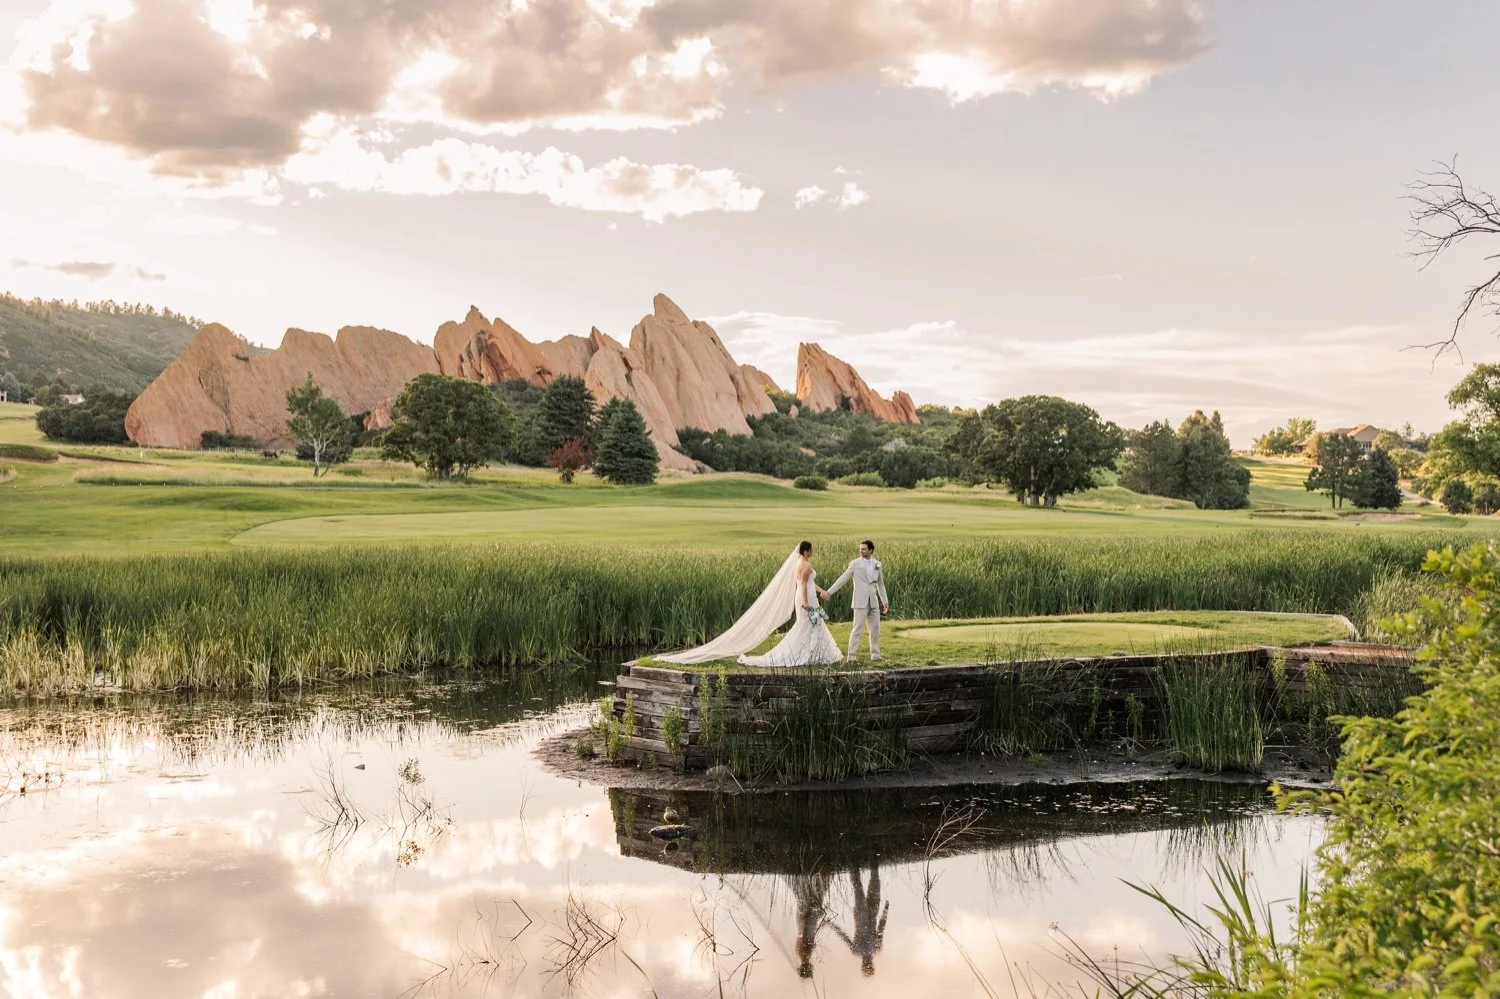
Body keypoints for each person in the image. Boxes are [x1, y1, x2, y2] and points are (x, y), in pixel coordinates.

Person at [655, 540, 841, 667]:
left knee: (811, 625)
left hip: (803, 596)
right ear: (806, 551)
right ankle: (807, 653)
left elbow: (807, 583)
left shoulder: (797, 564)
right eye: (811, 550)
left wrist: (821, 591)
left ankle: (814, 653)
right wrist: (807, 602)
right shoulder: (806, 565)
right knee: (809, 625)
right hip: (806, 599)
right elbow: (803, 584)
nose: (812, 552)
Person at [821, 539, 889, 663]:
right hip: (860, 602)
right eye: (860, 549)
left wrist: (884, 601)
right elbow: (843, 578)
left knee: (875, 630)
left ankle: (875, 655)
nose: (861, 551)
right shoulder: (855, 563)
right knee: (857, 629)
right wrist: (829, 592)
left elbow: (881, 584)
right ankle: (851, 657)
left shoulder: (877, 564)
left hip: (873, 602)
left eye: (864, 549)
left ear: (871, 550)